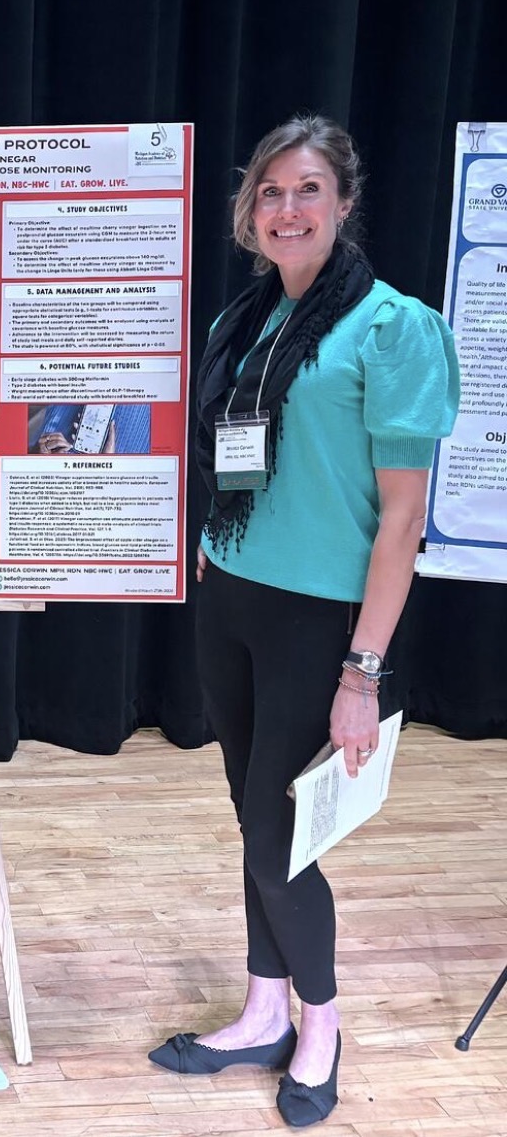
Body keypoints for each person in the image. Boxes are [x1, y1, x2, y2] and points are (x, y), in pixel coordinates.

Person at [147, 115, 458, 1128]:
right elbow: (234, 459)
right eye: (272, 191)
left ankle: (319, 1024)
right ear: (252, 210)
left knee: (279, 834)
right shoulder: (245, 318)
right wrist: (213, 546)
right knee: (254, 817)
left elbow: (403, 519)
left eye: (309, 189)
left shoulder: (392, 328)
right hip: (232, 597)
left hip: (320, 620)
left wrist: (363, 673)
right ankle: (262, 1009)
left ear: (344, 202)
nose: (289, 209)